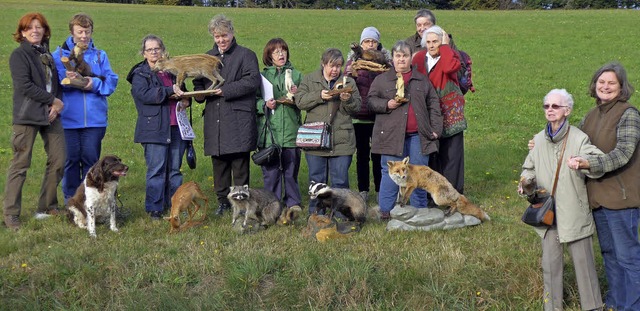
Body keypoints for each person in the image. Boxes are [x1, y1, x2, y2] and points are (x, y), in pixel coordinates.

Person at [518, 89, 603, 311]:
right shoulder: (537, 139)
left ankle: (592, 307)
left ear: (567, 110)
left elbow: (598, 161)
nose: (550, 110)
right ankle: (552, 307)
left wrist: (583, 162)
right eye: (546, 106)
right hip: (547, 213)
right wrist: (525, 182)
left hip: (574, 210)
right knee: (550, 265)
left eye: (555, 106)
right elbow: (529, 168)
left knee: (584, 266)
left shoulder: (579, 137)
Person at [567, 62, 640, 310]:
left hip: (621, 199)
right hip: (597, 198)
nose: (605, 86)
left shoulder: (628, 113)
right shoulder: (591, 114)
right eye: (601, 82)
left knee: (628, 256)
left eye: (611, 83)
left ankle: (632, 305)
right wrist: (543, 141)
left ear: (621, 87)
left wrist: (591, 163)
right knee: (609, 254)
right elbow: (571, 139)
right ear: (594, 85)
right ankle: (617, 302)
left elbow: (623, 153)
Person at [193, 14, 261, 216]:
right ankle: (222, 201)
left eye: (224, 35)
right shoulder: (207, 57)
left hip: (238, 118)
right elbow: (198, 82)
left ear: (232, 33)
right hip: (215, 117)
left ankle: (241, 203)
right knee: (219, 162)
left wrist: (226, 90)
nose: (221, 40)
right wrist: (197, 94)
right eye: (217, 36)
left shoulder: (246, 55)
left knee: (239, 161)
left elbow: (252, 81)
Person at [4, 12, 66, 230]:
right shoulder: (19, 56)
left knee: (59, 160)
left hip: (51, 114)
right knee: (21, 164)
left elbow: (54, 83)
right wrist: (53, 101)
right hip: (27, 115)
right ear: (22, 32)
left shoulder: (47, 54)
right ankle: (10, 214)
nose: (35, 30)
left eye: (39, 27)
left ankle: (47, 205)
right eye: (29, 27)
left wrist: (55, 106)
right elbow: (25, 86)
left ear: (45, 30)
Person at [368, 40, 442, 220]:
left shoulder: (421, 80)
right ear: (392, 58)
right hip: (391, 135)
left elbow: (433, 104)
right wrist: (386, 104)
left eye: (405, 56)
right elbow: (370, 101)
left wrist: (435, 129)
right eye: (398, 56)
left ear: (411, 58)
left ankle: (419, 210)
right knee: (390, 173)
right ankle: (385, 211)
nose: (401, 60)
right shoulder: (382, 79)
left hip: (418, 135)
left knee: (418, 173)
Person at [52, 13, 119, 205]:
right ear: (72, 32)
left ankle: (92, 202)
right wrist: (70, 80)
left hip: (95, 120)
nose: (84, 36)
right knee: (70, 162)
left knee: (91, 162)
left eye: (87, 32)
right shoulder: (59, 56)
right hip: (68, 120)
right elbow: (55, 84)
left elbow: (111, 81)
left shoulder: (100, 55)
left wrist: (93, 83)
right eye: (80, 32)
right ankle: (72, 203)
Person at [126, 35, 189, 220]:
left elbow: (183, 90)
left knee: (175, 170)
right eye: (150, 49)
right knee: (157, 170)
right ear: (144, 53)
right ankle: (155, 209)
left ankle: (175, 206)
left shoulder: (172, 71)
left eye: (157, 48)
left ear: (163, 49)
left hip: (176, 126)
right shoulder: (140, 74)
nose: (154, 52)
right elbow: (145, 95)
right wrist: (170, 91)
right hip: (153, 129)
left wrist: (186, 100)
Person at [295, 48, 361, 214]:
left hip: (341, 141)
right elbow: (300, 101)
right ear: (323, 64)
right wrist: (319, 96)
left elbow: (357, 108)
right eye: (332, 66)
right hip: (315, 141)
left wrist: (348, 100)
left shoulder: (349, 82)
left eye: (338, 66)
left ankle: (340, 214)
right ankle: (317, 214)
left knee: (340, 181)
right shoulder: (310, 80)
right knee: (317, 180)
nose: (335, 70)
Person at [412, 25, 467, 194]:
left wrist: (445, 46)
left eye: (435, 41)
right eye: (428, 42)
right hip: (429, 113)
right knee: (433, 155)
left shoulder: (450, 55)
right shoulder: (419, 58)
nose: (431, 45)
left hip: (450, 115)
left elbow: (450, 68)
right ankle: (434, 193)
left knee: (452, 156)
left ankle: (453, 194)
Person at [255, 38, 304, 213]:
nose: (280, 54)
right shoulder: (261, 77)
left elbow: (304, 102)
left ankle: (293, 202)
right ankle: (271, 204)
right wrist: (264, 105)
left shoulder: (296, 74)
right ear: (269, 56)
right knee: (271, 173)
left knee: (291, 171)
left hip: (291, 131)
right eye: (276, 51)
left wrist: (297, 96)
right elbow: (253, 101)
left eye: (283, 50)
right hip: (269, 133)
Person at [344, 26, 390, 205]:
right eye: (367, 41)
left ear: (378, 44)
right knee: (362, 155)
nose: (370, 44)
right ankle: (363, 189)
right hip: (360, 116)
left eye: (373, 41)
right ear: (361, 43)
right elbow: (346, 82)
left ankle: (380, 189)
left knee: (378, 155)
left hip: (379, 116)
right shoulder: (352, 61)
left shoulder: (386, 61)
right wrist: (349, 76)